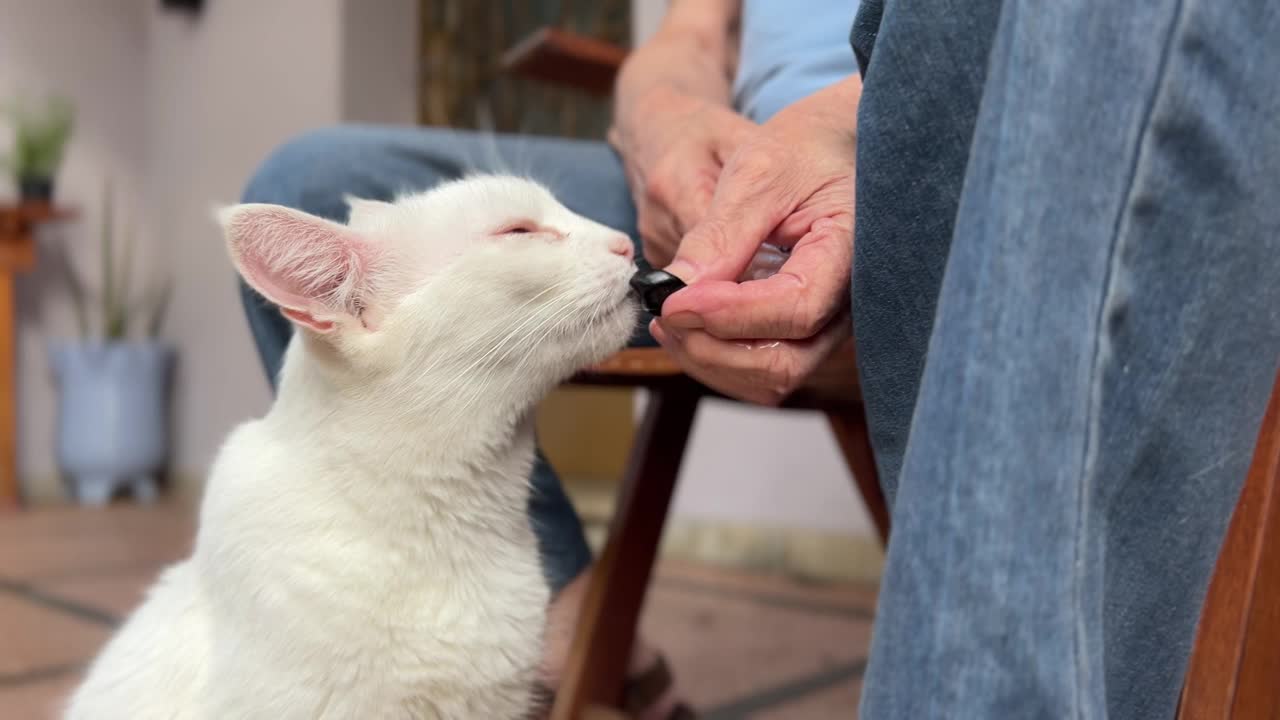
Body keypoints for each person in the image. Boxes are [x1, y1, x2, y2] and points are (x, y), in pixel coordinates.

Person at [239, 0, 1280, 718]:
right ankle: (569, 622)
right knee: (317, 174)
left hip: (960, 152)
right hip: (723, 180)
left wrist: (849, 131)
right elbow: (681, 44)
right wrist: (665, 127)